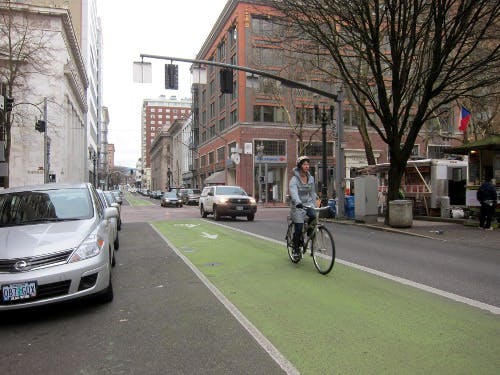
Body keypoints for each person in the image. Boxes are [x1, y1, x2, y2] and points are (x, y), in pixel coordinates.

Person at [289, 155, 318, 258]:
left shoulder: (310, 178)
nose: (307, 166)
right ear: (300, 166)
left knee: (313, 217)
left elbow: (313, 193)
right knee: (299, 226)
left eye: (308, 164)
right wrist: (297, 202)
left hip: (308, 204)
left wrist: (315, 205)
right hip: (297, 205)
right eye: (304, 164)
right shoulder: (294, 180)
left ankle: (310, 238)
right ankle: (296, 249)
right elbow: (294, 193)